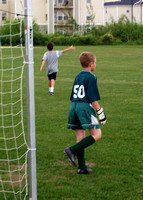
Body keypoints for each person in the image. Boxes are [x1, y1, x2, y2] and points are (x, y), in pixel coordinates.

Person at [64, 52, 107, 174]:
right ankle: (71, 150)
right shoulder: (91, 77)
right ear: (91, 64)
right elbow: (92, 97)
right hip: (84, 106)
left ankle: (81, 167)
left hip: (74, 105)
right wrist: (100, 111)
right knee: (97, 134)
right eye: (95, 63)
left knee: (80, 137)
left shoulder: (78, 76)